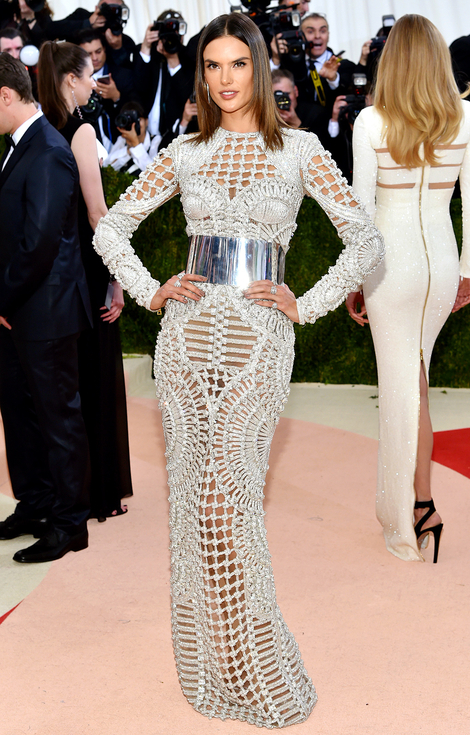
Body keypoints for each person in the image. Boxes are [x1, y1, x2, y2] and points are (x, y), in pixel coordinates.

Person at [93, 12, 384, 727]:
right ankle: (216, 658)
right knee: (197, 505)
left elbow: (364, 239)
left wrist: (304, 302)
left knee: (234, 499)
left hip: (259, 343)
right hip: (187, 343)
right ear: (202, 74)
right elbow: (111, 227)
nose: (225, 79)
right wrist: (150, 289)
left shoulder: (301, 151)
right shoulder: (187, 151)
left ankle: (257, 663)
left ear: (258, 65)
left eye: (238, 64)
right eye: (213, 66)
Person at [346, 14, 470, 563]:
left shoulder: (371, 122)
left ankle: (415, 511)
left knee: (403, 390)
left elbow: (360, 213)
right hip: (440, 265)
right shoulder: (464, 118)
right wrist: (466, 271)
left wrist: (353, 280)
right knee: (414, 384)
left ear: (390, 60)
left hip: (389, 268)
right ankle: (420, 503)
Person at [0, 52, 91, 562]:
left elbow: (39, 244)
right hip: (19, 310)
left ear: (5, 96)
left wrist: (3, 298)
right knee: (20, 416)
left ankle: (70, 523)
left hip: (47, 311)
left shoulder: (51, 150)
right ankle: (34, 504)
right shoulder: (21, 145)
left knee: (58, 421)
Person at [37, 41, 133, 521]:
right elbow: (98, 213)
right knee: (95, 374)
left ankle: (74, 487)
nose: (95, 84)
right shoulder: (80, 130)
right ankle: (100, 492)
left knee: (67, 381)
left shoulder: (39, 129)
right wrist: (118, 277)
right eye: (90, 74)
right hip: (87, 268)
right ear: (71, 79)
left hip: (55, 270)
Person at [133, 10, 195, 150]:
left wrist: (173, 59)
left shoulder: (189, 56)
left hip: (173, 136)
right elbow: (138, 87)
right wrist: (146, 46)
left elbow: (187, 97)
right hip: (143, 135)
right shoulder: (148, 52)